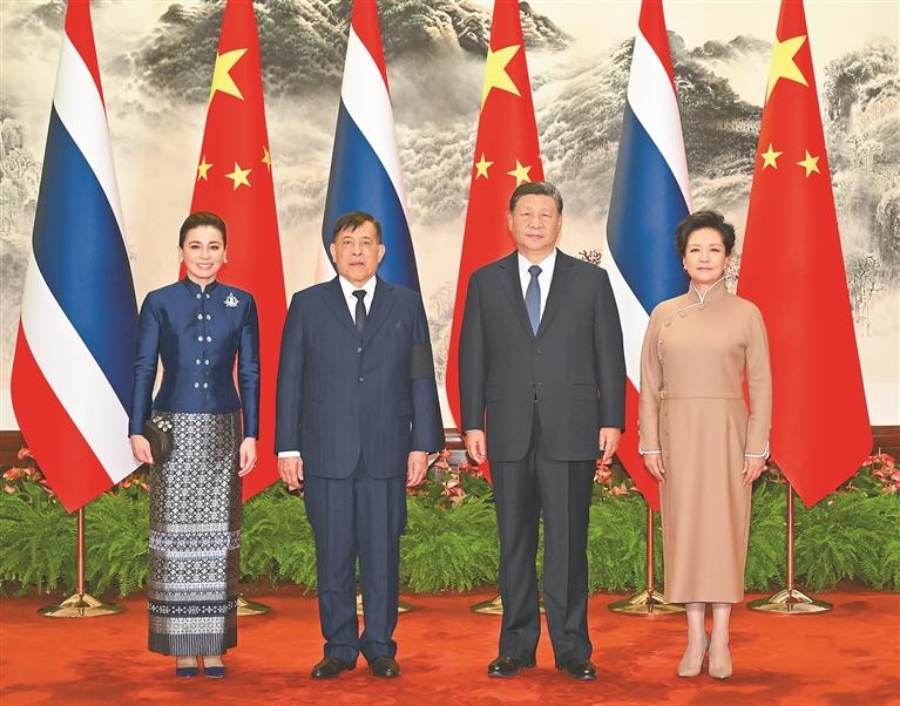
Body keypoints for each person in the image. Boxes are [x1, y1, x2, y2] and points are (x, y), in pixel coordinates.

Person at [459, 181, 626, 681]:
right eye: (526, 213)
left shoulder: (590, 281)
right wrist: (472, 422)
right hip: (508, 429)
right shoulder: (485, 281)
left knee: (568, 543)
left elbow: (609, 354)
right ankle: (516, 646)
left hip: (571, 428)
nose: (535, 222)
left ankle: (572, 648)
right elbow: (473, 356)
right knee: (514, 543)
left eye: (545, 214)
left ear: (560, 222)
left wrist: (611, 419)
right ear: (510, 221)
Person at [275, 211, 443, 680]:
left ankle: (381, 646)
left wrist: (422, 444)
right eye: (347, 243)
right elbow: (290, 379)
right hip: (326, 451)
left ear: (380, 252)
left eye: (365, 243)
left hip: (386, 451)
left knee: (382, 554)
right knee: (332, 554)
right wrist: (287, 446)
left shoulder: (406, 304)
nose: (356, 251)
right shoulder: (307, 305)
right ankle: (339, 646)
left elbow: (420, 376)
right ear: (333, 251)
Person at [639, 210, 772, 680]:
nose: (704, 257)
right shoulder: (664, 314)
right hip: (676, 437)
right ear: (683, 259)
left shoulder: (747, 313)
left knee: (724, 533)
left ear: (728, 258)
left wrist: (755, 448)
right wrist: (650, 444)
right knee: (686, 533)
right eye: (695, 249)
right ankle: (695, 635)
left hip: (728, 437)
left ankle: (722, 637)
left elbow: (761, 384)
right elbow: (650, 385)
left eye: (714, 249)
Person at [129, 211, 259, 678]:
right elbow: (144, 367)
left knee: (217, 539)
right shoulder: (159, 301)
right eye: (196, 246)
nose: (205, 255)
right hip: (172, 429)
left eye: (213, 246)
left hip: (223, 430)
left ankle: (214, 644)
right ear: (181, 251)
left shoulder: (241, 302)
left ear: (227, 253)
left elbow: (250, 372)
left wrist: (251, 433)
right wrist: (136, 427)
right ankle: (182, 646)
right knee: (177, 539)